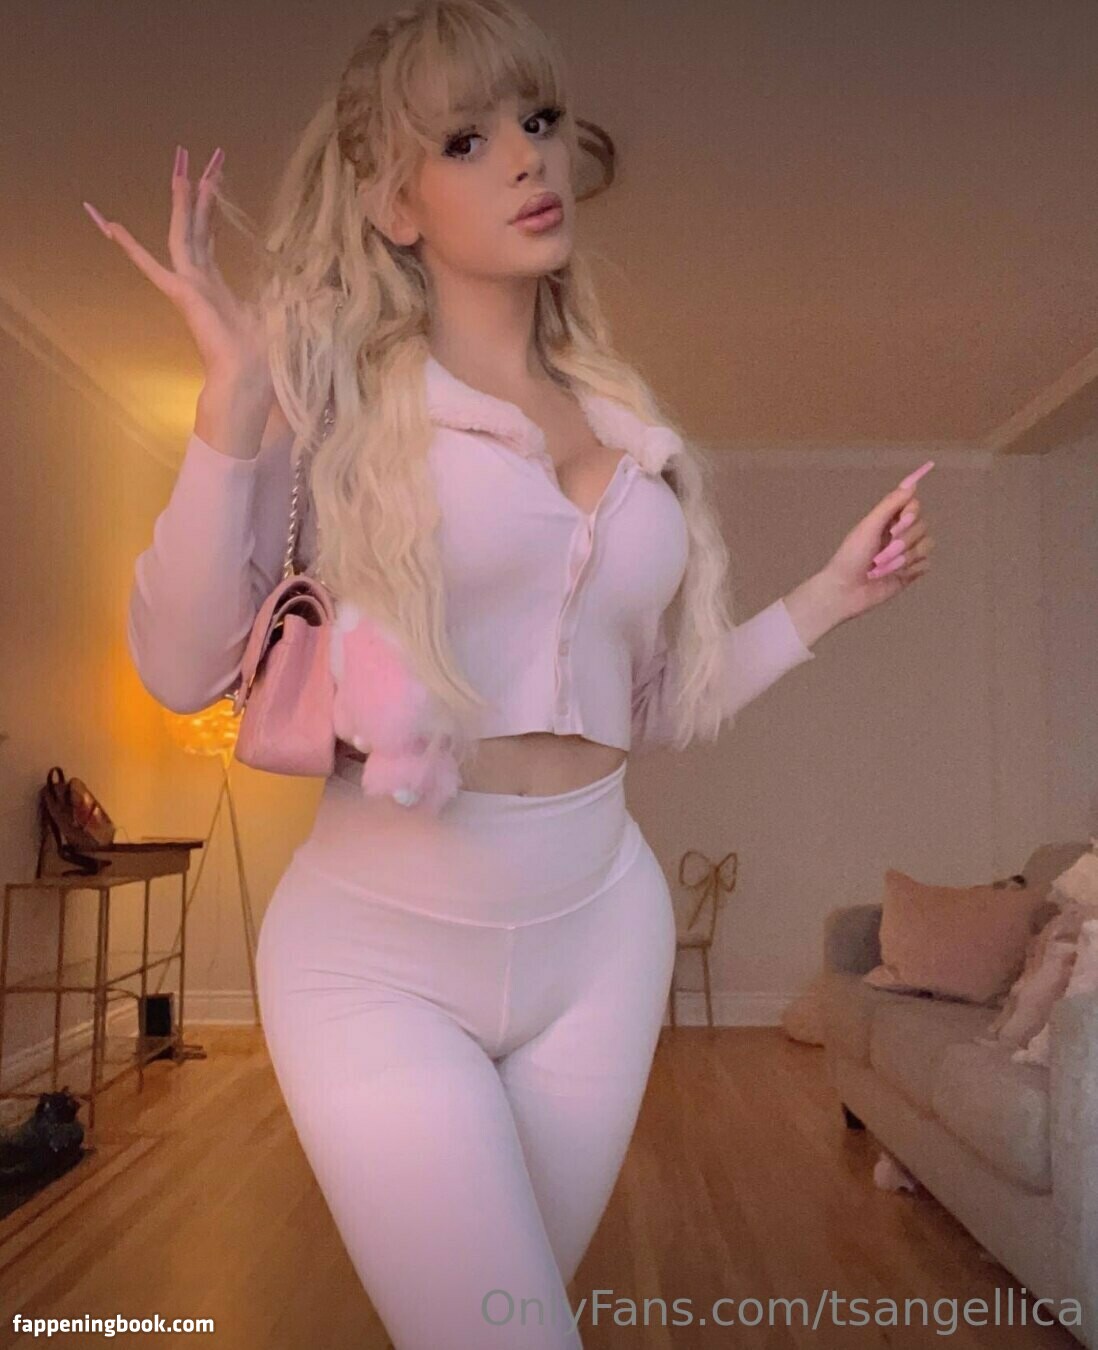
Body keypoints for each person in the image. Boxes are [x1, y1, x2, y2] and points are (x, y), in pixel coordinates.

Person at [91, 1, 934, 1344]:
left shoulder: (625, 425)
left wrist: (834, 592)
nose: (528, 157)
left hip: (602, 940)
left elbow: (652, 707)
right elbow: (181, 663)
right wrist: (235, 401)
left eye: (536, 121)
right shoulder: (334, 404)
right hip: (378, 954)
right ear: (395, 201)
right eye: (467, 139)